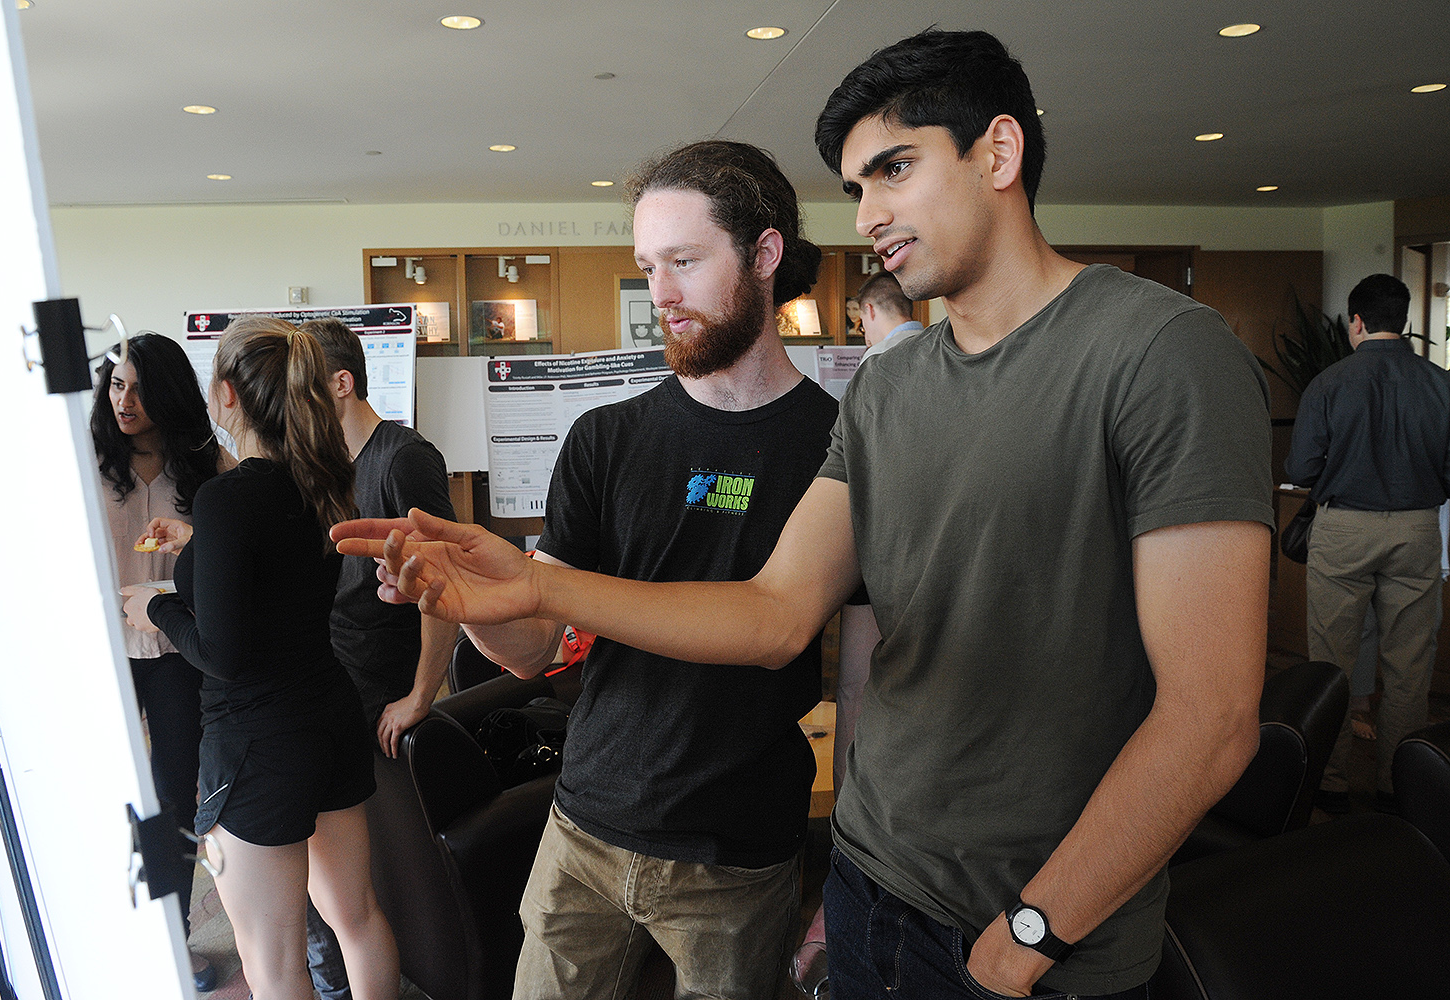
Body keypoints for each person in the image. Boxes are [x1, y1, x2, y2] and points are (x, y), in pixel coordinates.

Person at [336, 30, 1273, 1000]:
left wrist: (1026, 937)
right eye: (855, 186)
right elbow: (776, 610)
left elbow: (1210, 718)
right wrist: (534, 581)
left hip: (1026, 935)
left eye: (894, 170)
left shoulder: (1160, 354)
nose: (867, 214)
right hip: (869, 886)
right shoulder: (889, 388)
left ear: (999, 153)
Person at [353, 140, 840, 1000]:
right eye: (649, 267)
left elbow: (856, 663)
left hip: (739, 849)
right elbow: (534, 649)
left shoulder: (837, 445)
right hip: (584, 823)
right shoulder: (605, 439)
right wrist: (466, 600)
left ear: (765, 255)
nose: (662, 296)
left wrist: (851, 870)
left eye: (686, 262)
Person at [122, 316, 400, 1000]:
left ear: (227, 396)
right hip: (328, 717)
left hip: (257, 743)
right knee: (357, 917)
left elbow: (220, 653)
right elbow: (271, 576)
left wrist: (152, 607)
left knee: (272, 965)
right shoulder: (319, 485)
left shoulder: (229, 498)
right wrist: (198, 542)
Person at [295, 317, 460, 1000]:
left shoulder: (402, 458)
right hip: (330, 684)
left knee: (382, 872)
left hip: (379, 691)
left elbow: (444, 586)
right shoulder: (326, 467)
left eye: (304, 389)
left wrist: (421, 693)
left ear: (341, 383)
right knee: (327, 877)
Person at [92, 332, 232, 993]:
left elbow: (242, 549)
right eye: (117, 384)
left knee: (174, 792)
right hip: (103, 653)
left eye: (141, 387)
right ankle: (111, 937)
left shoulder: (211, 465)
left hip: (179, 647)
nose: (126, 399)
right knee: (106, 796)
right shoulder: (84, 462)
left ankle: (172, 939)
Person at [1284, 273, 1450, 814]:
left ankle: (1328, 782)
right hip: (1418, 528)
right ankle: (1398, 784)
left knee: (1331, 660)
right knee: (1410, 663)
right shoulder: (1442, 383)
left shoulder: (1330, 383)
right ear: (1402, 321)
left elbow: (1302, 468)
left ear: (1356, 322)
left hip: (1344, 531)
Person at [854, 271, 921, 360]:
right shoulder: (938, 344)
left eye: (863, 327)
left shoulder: (877, 356)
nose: (868, 342)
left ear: (870, 310)